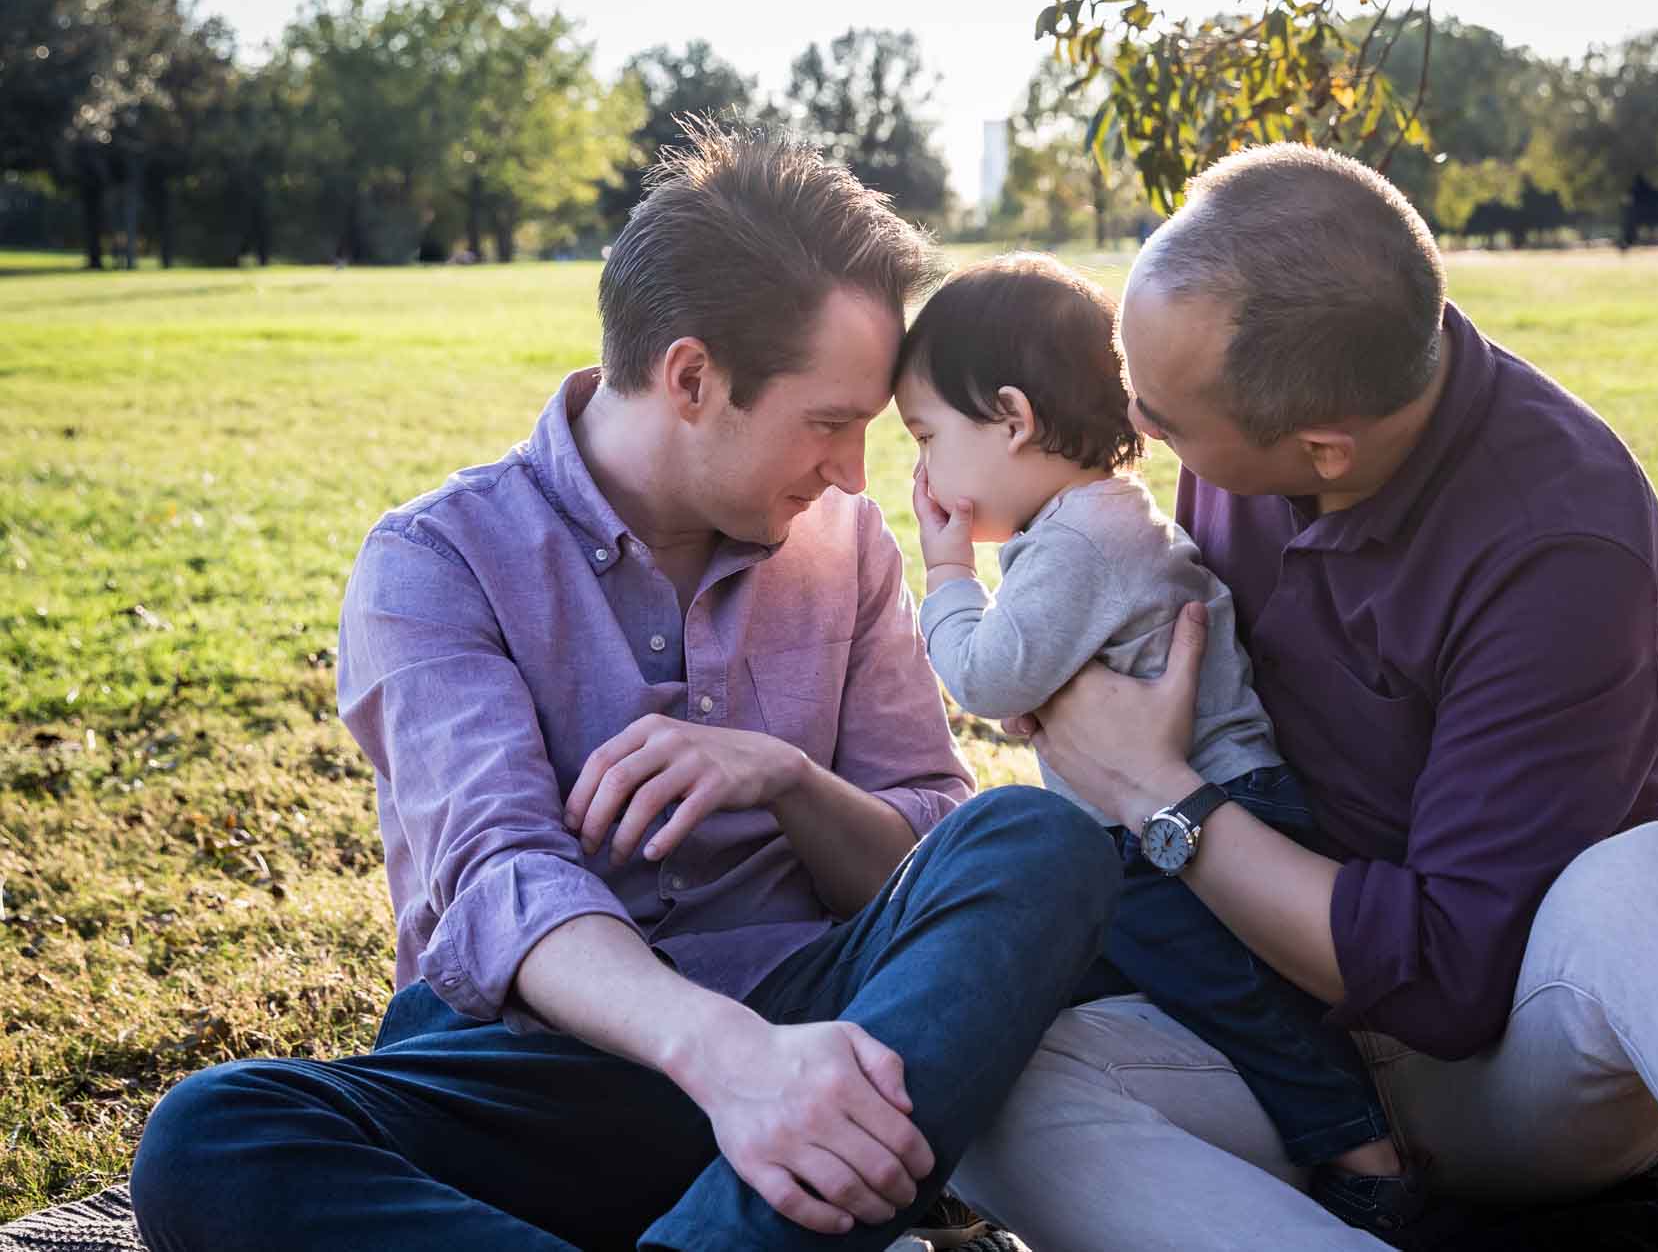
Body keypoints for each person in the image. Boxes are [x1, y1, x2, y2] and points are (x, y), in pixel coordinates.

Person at [949, 143, 1658, 1252]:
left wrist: (1162, 796)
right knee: (981, 1083)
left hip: (1499, 1056)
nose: (1130, 424)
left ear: (1320, 449)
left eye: (1158, 415)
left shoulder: (1560, 538)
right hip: (1266, 1045)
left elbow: (1447, 980)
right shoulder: (1250, 421)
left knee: (1648, 878)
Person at [127, 125, 1122, 1252]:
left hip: (817, 1041)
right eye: (830, 424)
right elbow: (501, 873)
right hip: (537, 1075)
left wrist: (786, 780)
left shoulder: (845, 544)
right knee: (213, 1137)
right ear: (691, 377)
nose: (854, 474)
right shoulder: (436, 559)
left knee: (1034, 840)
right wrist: (727, 1058)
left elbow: (921, 859)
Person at [893, 253, 1419, 1234]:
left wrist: (946, 567)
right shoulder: (1092, 526)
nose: (920, 473)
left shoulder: (1084, 539)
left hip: (1199, 812)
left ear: (1010, 418)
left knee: (1229, 993)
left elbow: (986, 678)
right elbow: (1034, 686)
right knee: (1097, 974)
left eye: (926, 435)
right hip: (1173, 812)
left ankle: (1363, 1156)